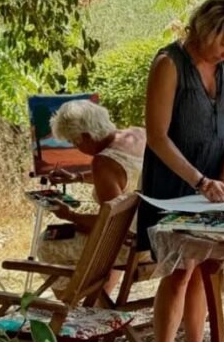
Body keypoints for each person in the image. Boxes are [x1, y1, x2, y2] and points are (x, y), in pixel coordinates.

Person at [140, 0, 224, 342]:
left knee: (209, 266)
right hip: (174, 185)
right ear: (207, 29)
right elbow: (157, 136)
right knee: (178, 272)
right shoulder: (168, 65)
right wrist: (199, 180)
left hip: (216, 185)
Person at [38, 100, 145, 272]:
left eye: (74, 142)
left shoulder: (103, 162)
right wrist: (77, 177)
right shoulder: (138, 134)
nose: (76, 147)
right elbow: (123, 175)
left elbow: (111, 226)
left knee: (47, 241)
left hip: (131, 245)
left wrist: (70, 215)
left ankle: (76, 297)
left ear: (86, 137)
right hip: (152, 235)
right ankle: (100, 295)